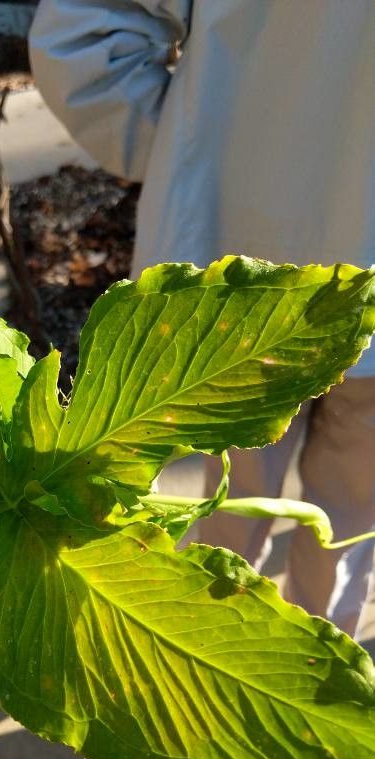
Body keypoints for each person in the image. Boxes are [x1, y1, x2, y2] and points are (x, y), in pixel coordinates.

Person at [29, 0, 375, 637]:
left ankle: (202, 660)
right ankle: (305, 690)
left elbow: (78, 42)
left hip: (231, 257)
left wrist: (188, 141)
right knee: (349, 524)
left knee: (226, 507)